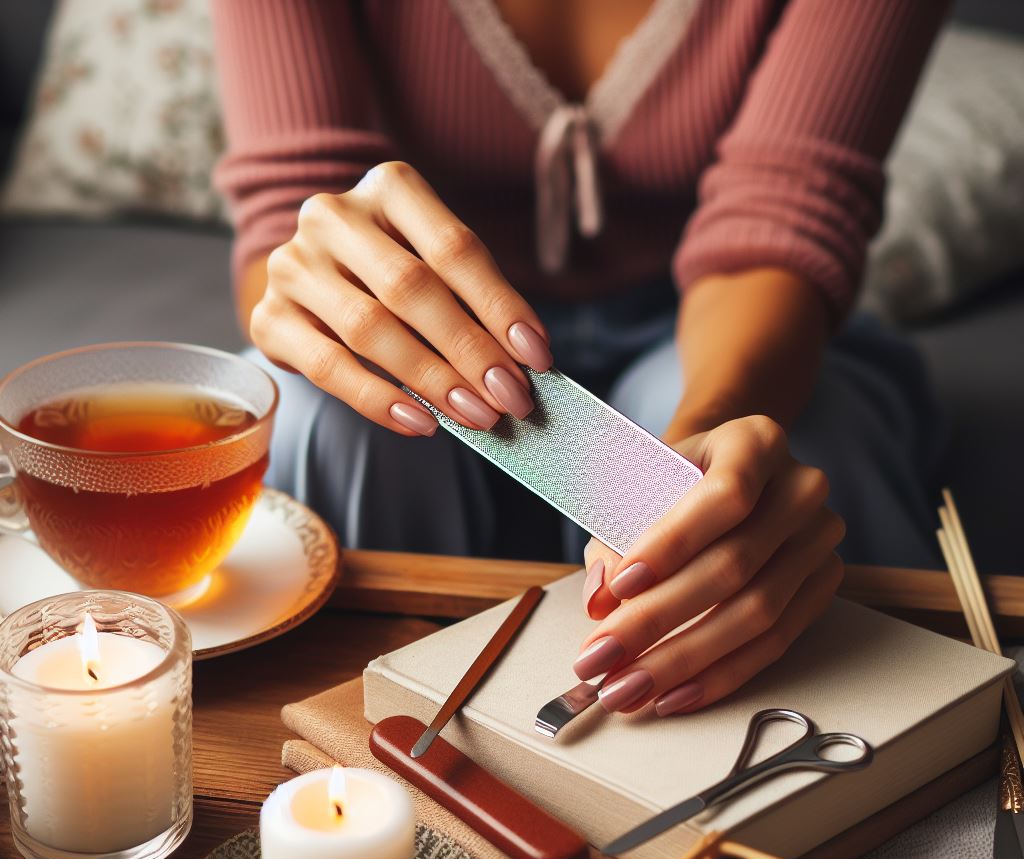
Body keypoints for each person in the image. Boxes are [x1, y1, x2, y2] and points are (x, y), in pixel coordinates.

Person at [211, 0, 947, 718]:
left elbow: (785, 212)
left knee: (769, 461)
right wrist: (325, 282)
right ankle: (352, 733)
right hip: (428, 321)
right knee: (323, 412)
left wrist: (701, 452)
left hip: (712, 317)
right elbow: (293, 213)